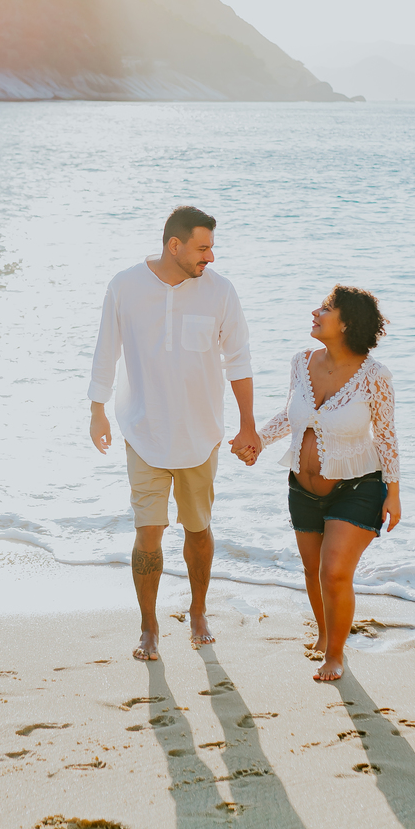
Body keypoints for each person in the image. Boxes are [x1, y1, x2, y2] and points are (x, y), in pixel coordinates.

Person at [89, 205, 262, 660]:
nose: (210, 257)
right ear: (175, 245)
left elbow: (238, 360)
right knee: (149, 531)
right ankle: (148, 624)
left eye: (212, 248)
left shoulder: (221, 292)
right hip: (142, 429)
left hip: (200, 433)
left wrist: (248, 424)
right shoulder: (125, 286)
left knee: (198, 528)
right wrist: (97, 410)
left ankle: (199, 610)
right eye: (203, 248)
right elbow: (106, 350)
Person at [248, 286, 400, 681]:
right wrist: (258, 441)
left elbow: (385, 436)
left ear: (347, 323)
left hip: (358, 486)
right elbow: (290, 414)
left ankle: (335, 654)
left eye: (326, 308)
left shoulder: (375, 376)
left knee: (334, 572)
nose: (316, 312)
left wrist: (395, 493)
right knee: (314, 570)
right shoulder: (302, 362)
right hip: (302, 487)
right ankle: (324, 634)